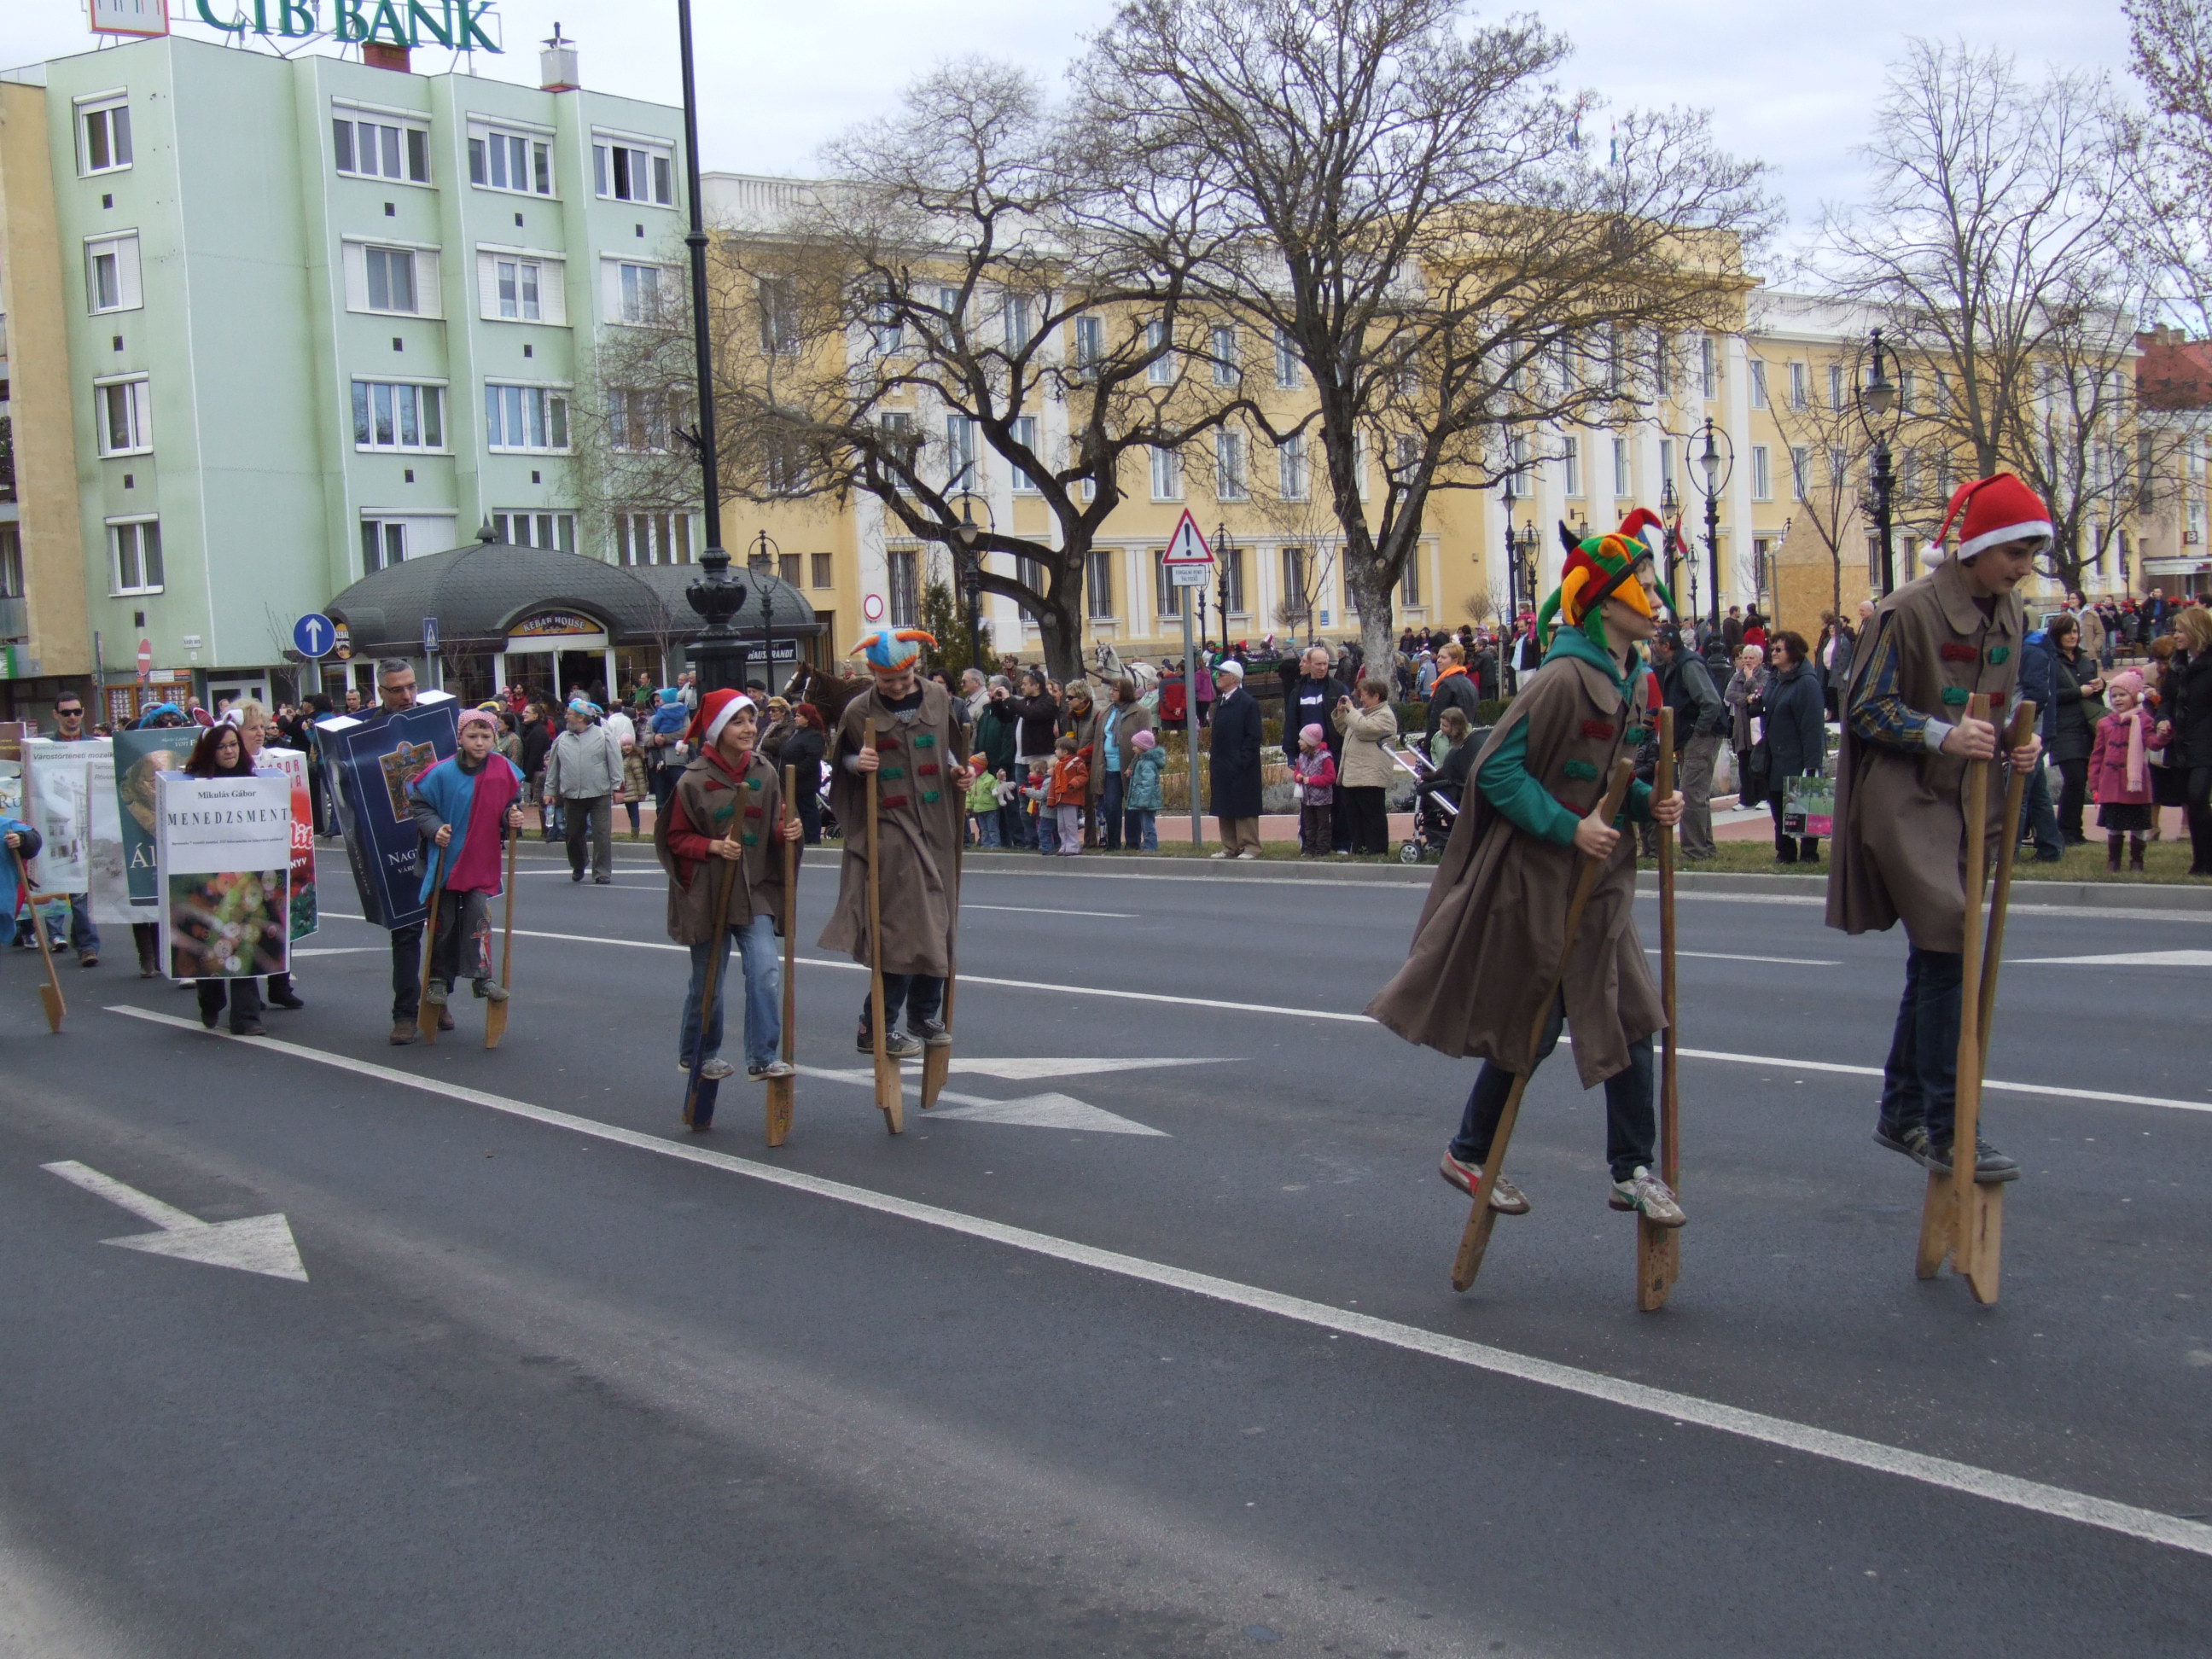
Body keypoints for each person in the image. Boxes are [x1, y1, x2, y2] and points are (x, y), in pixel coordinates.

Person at [1365, 520, 1688, 1226]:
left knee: (1633, 1016)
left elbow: (1606, 778)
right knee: (1532, 1025)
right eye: (1643, 586)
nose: (1657, 598)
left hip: (1597, 885)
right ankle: (1469, 1152)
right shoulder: (1564, 679)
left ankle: (1631, 1169)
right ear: (1605, 601)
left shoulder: (1632, 678)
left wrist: (1647, 802)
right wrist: (1571, 827)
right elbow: (1496, 769)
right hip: (1540, 880)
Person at [1828, 473, 2046, 1184]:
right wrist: (1940, 734)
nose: (2023, 567)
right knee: (1952, 936)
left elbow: (2002, 701)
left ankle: (1902, 1111)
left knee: (1938, 957)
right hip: (1906, 796)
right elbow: (1865, 705)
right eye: (2014, 551)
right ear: (1977, 546)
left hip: (1969, 801)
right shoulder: (1907, 610)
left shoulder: (2009, 611)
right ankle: (1951, 1126)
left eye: (2031, 553)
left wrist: (2019, 743)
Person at [821, 630, 972, 1057]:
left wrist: (959, 772)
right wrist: (858, 761)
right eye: (888, 681)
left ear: (915, 668)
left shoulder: (938, 699)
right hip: (891, 828)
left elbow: (948, 751)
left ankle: (923, 1015)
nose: (898, 687)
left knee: (939, 923)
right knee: (905, 929)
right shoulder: (858, 711)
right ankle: (876, 1025)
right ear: (874, 675)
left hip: (937, 827)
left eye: (904, 679)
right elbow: (839, 764)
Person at [657, 689, 801, 1086]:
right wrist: (712, 846)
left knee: (765, 970)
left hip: (754, 890)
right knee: (708, 981)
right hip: (709, 893)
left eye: (751, 720)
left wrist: (788, 832)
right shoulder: (693, 780)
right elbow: (674, 839)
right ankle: (699, 1053)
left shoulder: (765, 772)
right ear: (718, 729)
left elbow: (776, 826)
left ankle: (763, 1056)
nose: (749, 728)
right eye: (737, 722)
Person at [405, 708, 526, 1022]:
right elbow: (420, 804)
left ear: (495, 738)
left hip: (481, 859)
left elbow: (510, 804)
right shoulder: (441, 772)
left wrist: (511, 816)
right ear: (460, 738)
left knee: (477, 917)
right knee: (443, 921)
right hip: (446, 861)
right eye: (473, 736)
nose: (480, 742)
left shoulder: (503, 770)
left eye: (486, 736)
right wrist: (435, 828)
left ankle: (481, 977)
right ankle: (438, 978)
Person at [177, 722, 272, 1036]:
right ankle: (210, 997)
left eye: (233, 745)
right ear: (209, 752)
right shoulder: (191, 786)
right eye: (221, 747)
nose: (229, 751)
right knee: (211, 940)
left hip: (245, 876)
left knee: (244, 937)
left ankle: (246, 1017)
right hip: (207, 875)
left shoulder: (255, 781)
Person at [1646, 626, 1728, 861]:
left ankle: (1695, 851)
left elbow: (1711, 702)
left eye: (1655, 642)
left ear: (1666, 646)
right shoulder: (1675, 664)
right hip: (1692, 733)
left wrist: (1698, 731)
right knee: (1696, 792)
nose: (1652, 647)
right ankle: (1704, 847)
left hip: (1702, 734)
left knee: (1691, 793)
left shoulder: (1688, 665)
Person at [1755, 630, 1827, 864]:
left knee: (1804, 803)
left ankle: (1809, 854)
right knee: (1778, 806)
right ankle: (1785, 853)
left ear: (1793, 652)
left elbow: (1812, 726)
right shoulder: (1775, 678)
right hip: (1775, 755)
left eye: (1779, 649)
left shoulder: (1807, 683)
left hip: (1797, 756)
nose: (1773, 653)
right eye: (1772, 648)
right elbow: (1768, 704)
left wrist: (1812, 764)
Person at [2088, 669, 2166, 872]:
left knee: (2138, 824)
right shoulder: (2104, 723)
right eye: (2114, 695)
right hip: (2111, 784)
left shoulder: (2144, 721)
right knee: (2114, 824)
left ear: (2135, 696)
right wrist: (2094, 781)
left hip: (2135, 785)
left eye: (2122, 694)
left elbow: (2153, 743)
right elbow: (2098, 755)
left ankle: (2137, 861)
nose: (2117, 699)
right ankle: (2113, 861)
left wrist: (2163, 735)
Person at [47, 693, 102, 966]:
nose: (72, 717)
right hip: (56, 822)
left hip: (89, 822)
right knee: (61, 882)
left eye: (77, 712)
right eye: (66, 712)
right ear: (56, 715)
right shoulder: (46, 748)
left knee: (82, 887)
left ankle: (88, 945)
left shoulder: (97, 746)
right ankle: (75, 936)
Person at [545, 699, 623, 883]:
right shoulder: (562, 739)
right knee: (573, 834)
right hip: (572, 795)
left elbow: (615, 762)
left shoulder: (603, 735)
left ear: (581, 718)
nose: (566, 717)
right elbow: (553, 768)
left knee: (601, 834)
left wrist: (618, 787)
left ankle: (602, 872)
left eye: (569, 714)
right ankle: (579, 863)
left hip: (599, 793)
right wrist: (550, 791)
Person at [2160, 605, 2212, 875]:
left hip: (2206, 743)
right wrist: (2162, 718)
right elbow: (2167, 699)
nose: (2176, 636)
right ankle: (2201, 860)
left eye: (2180, 631)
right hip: (2181, 743)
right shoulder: (2177, 665)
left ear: (2196, 632)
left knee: (2197, 795)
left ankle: (2206, 861)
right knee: (2191, 802)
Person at [2046, 614, 2102, 844]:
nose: (2072, 636)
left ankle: (2075, 831)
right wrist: (2078, 692)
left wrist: (2100, 685)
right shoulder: (2050, 660)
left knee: (2081, 780)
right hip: (2063, 727)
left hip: (2087, 726)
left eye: (2075, 631)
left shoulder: (2085, 660)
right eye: (2068, 632)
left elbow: (2093, 689)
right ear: (2057, 634)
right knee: (2075, 778)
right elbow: (2049, 694)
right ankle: (2066, 831)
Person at [1332, 677, 1399, 855]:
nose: (1361, 699)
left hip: (1371, 776)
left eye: (1364, 696)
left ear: (1376, 696)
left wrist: (1352, 710)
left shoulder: (1385, 715)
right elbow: (1343, 729)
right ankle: (1359, 849)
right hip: (1353, 775)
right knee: (1354, 817)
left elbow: (1364, 729)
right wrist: (1341, 712)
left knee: (1372, 816)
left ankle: (1377, 850)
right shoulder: (1362, 713)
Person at [1207, 659, 1263, 859]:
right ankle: (1230, 846)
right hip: (1222, 763)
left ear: (1233, 678)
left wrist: (1242, 760)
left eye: (1222, 674)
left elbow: (1254, 735)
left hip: (1241, 765)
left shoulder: (1247, 703)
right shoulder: (1221, 702)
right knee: (1225, 804)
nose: (1217, 677)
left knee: (1244, 806)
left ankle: (1250, 846)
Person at [1097, 678, 1152, 853]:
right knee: (1112, 806)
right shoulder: (1107, 712)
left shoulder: (1141, 712)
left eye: (1116, 690)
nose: (1111, 692)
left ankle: (1133, 843)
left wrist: (1134, 764)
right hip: (1110, 767)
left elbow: (1146, 742)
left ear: (1126, 692)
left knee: (1132, 806)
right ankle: (1113, 843)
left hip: (1131, 767)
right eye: (1111, 689)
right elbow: (1101, 739)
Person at [1058, 681, 1103, 846]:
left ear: (1083, 698)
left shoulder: (1098, 714)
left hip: (1094, 763)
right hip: (1078, 763)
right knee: (1083, 802)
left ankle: (1093, 839)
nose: (1067, 700)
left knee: (1092, 802)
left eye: (1071, 697)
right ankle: (1087, 839)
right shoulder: (1072, 716)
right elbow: (1071, 737)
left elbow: (1101, 742)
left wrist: (1082, 753)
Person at [781, 702, 829, 845]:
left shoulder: (814, 736)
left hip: (805, 782)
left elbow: (813, 758)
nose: (796, 718)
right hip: (792, 781)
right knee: (798, 810)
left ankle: (812, 838)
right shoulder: (797, 734)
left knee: (808, 809)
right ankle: (804, 838)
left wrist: (794, 773)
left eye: (799, 716)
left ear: (808, 719)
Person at [1291, 722, 1337, 856]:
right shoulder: (1302, 756)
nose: (1299, 742)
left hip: (1322, 799)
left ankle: (1322, 849)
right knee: (1309, 825)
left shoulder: (1325, 758)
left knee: (1323, 825)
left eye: (1302, 739)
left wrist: (1312, 780)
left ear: (1310, 742)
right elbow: (1297, 771)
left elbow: (1330, 777)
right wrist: (1298, 776)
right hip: (1307, 798)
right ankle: (1309, 848)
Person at [1045, 733, 1089, 857]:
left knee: (1070, 823)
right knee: (1061, 824)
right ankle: (1064, 844)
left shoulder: (1077, 763)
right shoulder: (1058, 765)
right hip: (1060, 798)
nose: (1055, 751)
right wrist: (1051, 798)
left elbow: (1083, 776)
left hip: (1071, 797)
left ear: (1065, 751)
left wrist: (1074, 783)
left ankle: (1073, 846)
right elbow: (1054, 782)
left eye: (1057, 749)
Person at [1123, 728, 1164, 851]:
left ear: (1142, 747)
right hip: (1145, 800)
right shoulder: (1142, 762)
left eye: (1135, 746)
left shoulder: (1147, 764)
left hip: (1146, 801)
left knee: (1147, 825)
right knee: (1145, 823)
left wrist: (1143, 800)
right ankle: (1148, 845)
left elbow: (1148, 783)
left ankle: (1150, 846)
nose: (1133, 749)